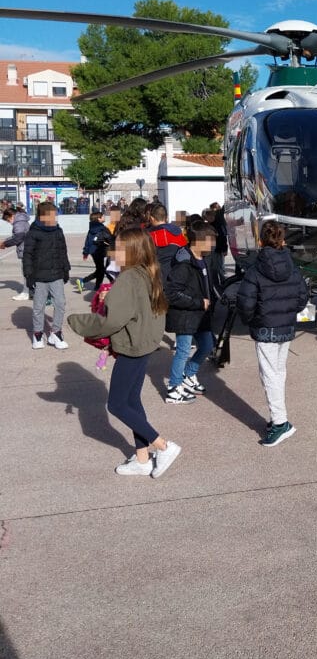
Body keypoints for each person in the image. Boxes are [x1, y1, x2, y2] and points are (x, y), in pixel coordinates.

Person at [68, 228, 181, 477]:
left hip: (132, 347)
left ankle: (163, 446)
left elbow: (111, 322)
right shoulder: (146, 273)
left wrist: (77, 321)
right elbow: (136, 308)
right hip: (143, 344)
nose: (112, 252)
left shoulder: (129, 278)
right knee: (131, 401)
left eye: (118, 248)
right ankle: (142, 458)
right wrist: (112, 297)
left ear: (131, 251)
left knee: (117, 404)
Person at [236, 220, 309, 446]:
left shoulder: (255, 269)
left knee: (270, 376)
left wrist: (252, 320)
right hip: (285, 328)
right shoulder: (292, 266)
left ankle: (280, 422)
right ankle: (279, 417)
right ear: (283, 240)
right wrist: (287, 312)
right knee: (278, 372)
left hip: (265, 328)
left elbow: (245, 303)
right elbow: (302, 297)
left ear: (260, 241)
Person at [164, 223, 217, 403]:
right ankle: (173, 387)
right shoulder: (183, 262)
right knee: (183, 350)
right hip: (185, 314)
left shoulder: (203, 258)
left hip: (201, 314)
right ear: (199, 241)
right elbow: (171, 293)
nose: (212, 245)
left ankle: (189, 374)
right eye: (210, 241)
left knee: (207, 345)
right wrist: (197, 302)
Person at [22, 201, 70, 349]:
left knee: (60, 303)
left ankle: (56, 333)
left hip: (56, 274)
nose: (54, 218)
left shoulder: (58, 231)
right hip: (39, 276)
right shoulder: (33, 232)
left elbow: (63, 251)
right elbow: (27, 255)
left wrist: (66, 269)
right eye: (52, 215)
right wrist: (29, 275)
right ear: (43, 216)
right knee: (38, 306)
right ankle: (37, 334)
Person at [146, 202, 188, 282]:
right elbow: (185, 252)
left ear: (151, 218)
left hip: (156, 275)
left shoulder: (150, 235)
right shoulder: (178, 232)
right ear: (166, 217)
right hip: (176, 274)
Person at [77, 210, 111, 292]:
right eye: (103, 216)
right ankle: (83, 281)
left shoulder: (92, 228)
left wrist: (86, 252)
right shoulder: (102, 228)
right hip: (99, 251)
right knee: (101, 270)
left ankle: (97, 287)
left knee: (100, 270)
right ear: (99, 219)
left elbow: (87, 240)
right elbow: (109, 238)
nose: (104, 217)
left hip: (94, 252)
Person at [1, 205, 31, 300]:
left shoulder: (19, 223)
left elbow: (18, 238)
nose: (9, 223)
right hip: (28, 249)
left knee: (27, 272)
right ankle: (31, 291)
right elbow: (16, 236)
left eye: (8, 220)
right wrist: (5, 241)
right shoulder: (21, 221)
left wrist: (4, 244)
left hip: (27, 250)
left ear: (11, 216)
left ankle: (26, 293)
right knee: (29, 272)